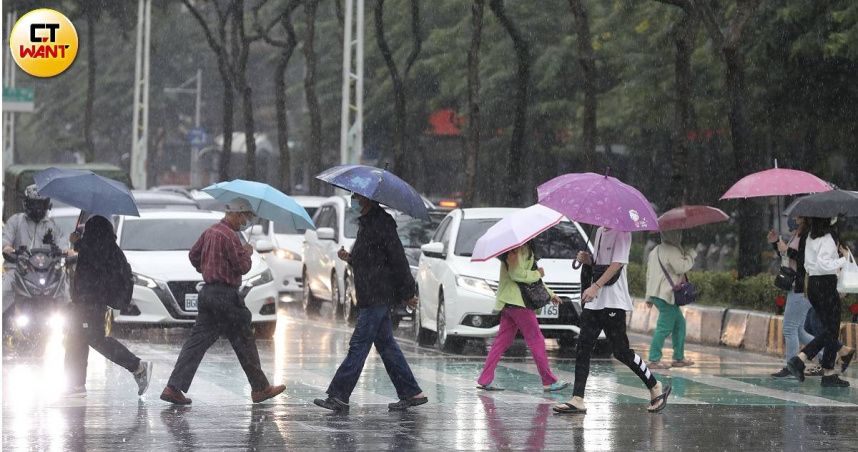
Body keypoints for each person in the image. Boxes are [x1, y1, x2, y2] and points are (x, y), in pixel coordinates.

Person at [160, 198, 286, 404]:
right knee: (244, 340)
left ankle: (173, 387)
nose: (244, 223)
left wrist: (207, 268)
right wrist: (247, 254)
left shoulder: (210, 231)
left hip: (208, 294)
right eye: (244, 217)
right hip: (226, 296)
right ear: (236, 214)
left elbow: (193, 256)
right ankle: (260, 388)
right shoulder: (229, 236)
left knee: (196, 343)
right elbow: (242, 267)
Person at [313, 193, 427, 412]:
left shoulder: (381, 222)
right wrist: (350, 258)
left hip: (377, 295)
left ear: (367, 199)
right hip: (371, 294)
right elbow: (369, 259)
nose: (353, 199)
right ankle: (412, 392)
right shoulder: (366, 223)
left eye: (356, 196)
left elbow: (397, 258)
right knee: (386, 345)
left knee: (358, 346)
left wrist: (408, 292)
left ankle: (339, 395)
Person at [555, 226, 671, 414]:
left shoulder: (623, 233)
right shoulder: (600, 231)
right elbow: (600, 264)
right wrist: (589, 261)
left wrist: (595, 287)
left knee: (621, 352)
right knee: (583, 347)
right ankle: (577, 398)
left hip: (613, 302)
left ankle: (655, 386)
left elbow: (617, 264)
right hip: (594, 302)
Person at [63, 216, 151, 398]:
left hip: (91, 302)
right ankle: (76, 384)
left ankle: (138, 366)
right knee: (75, 340)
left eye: (88, 231)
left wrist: (78, 242)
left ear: (94, 232)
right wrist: (78, 244)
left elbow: (94, 261)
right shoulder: (105, 246)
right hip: (86, 302)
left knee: (95, 339)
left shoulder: (99, 247)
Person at [475, 243, 571, 392]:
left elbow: (532, 278)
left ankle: (485, 379)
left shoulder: (517, 247)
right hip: (519, 303)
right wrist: (538, 273)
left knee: (501, 342)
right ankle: (548, 381)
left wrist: (551, 294)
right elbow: (517, 274)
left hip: (510, 302)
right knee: (536, 340)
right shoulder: (517, 249)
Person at [786, 217, 855, 387]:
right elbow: (825, 264)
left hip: (814, 285)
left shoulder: (811, 236)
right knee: (831, 329)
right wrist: (844, 259)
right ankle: (800, 360)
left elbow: (809, 264)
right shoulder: (827, 238)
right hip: (825, 284)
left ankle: (829, 374)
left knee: (829, 331)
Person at [766, 217, 823, 378]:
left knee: (789, 329)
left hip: (801, 288)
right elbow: (788, 258)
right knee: (798, 331)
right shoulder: (796, 235)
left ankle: (792, 367)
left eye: (797, 217)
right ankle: (830, 350)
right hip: (794, 287)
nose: (793, 219)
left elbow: (803, 260)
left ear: (804, 219)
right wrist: (776, 242)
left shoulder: (807, 236)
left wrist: (787, 249)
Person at [2, 185, 68, 309]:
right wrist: (8, 249)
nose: (37, 209)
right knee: (4, 292)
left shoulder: (53, 226)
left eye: (40, 204)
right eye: (34, 204)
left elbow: (63, 247)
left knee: (66, 293)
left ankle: (71, 327)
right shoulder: (15, 221)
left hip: (48, 274)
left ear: (47, 205)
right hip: (19, 270)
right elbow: (5, 242)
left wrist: (67, 252)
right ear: (26, 204)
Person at [645, 230, 697, 369]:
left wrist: (649, 296)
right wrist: (691, 254)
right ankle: (654, 359)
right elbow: (682, 267)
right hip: (667, 295)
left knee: (680, 324)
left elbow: (649, 274)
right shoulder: (672, 250)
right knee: (663, 328)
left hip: (657, 295)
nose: (679, 236)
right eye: (678, 233)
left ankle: (679, 358)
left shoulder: (655, 251)